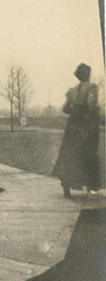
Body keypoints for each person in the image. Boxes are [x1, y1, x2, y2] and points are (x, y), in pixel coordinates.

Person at [53, 63, 101, 198]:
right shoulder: (92, 88)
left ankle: (67, 187)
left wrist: (75, 107)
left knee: (69, 155)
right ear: (88, 74)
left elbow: (65, 109)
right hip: (86, 125)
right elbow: (92, 106)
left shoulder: (72, 90)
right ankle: (92, 187)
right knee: (89, 153)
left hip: (73, 125)